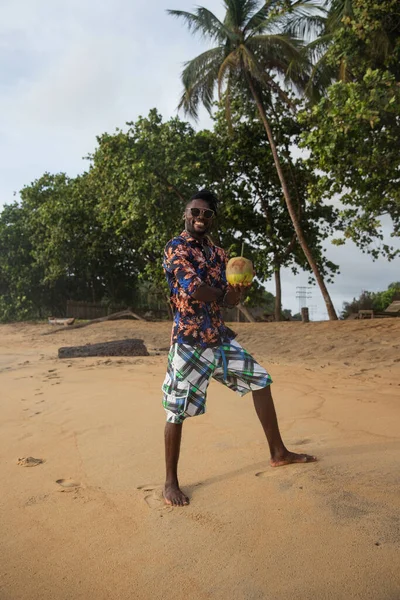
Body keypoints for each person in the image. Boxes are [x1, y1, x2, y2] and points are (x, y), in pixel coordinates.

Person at [162, 190, 316, 506]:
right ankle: (170, 484)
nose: (200, 218)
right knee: (177, 411)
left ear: (212, 219)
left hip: (219, 338)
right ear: (186, 214)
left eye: (207, 214)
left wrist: (239, 290)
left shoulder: (221, 255)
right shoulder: (175, 248)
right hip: (190, 343)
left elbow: (229, 299)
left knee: (261, 380)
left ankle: (278, 452)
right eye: (196, 212)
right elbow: (195, 290)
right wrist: (223, 294)